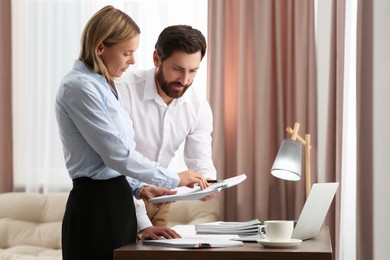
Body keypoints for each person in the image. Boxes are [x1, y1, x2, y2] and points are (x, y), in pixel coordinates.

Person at [55, 6, 208, 260]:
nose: (133, 61)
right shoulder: (79, 87)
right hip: (95, 207)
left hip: (117, 201)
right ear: (101, 47)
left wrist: (140, 189)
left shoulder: (106, 85)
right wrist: (173, 178)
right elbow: (116, 154)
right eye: (126, 52)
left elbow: (118, 152)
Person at [117, 25, 217, 227]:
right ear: (157, 58)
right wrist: (143, 222)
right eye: (177, 69)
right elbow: (120, 160)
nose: (185, 80)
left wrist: (208, 184)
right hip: (123, 195)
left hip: (162, 199)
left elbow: (200, 160)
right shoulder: (124, 89)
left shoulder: (198, 106)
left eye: (193, 71)